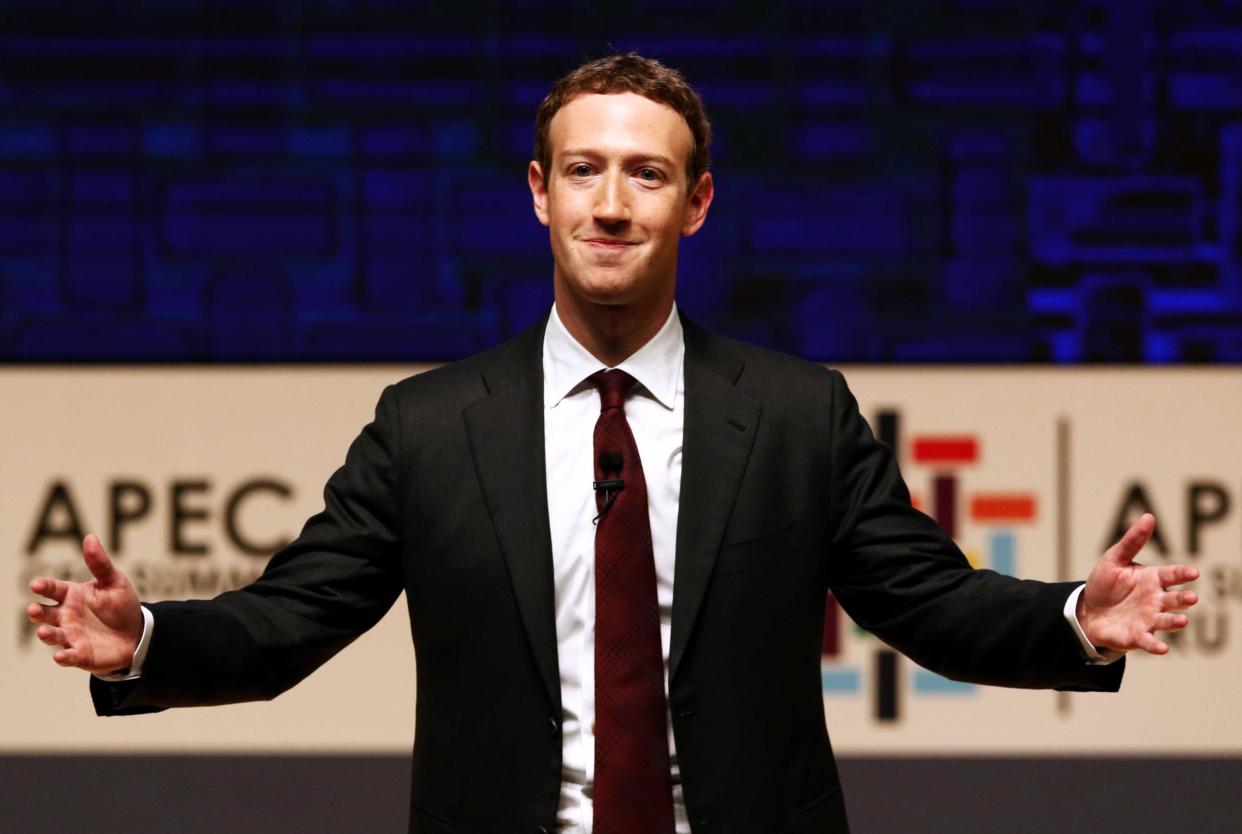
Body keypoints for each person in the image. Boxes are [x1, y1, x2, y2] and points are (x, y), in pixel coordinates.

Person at [27, 53, 1199, 834]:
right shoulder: (430, 427)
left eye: (647, 174)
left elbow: (927, 600)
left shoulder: (797, 414)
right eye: (584, 170)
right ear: (538, 193)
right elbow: (293, 619)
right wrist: (147, 641)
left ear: (696, 204)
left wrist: (1071, 622)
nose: (611, 203)